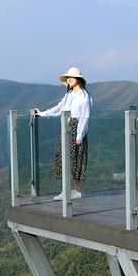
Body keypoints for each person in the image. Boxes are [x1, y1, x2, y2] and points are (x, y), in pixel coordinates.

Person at [33, 67, 92, 200]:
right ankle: (65, 190)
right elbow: (59, 107)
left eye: (72, 77)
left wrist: (79, 135)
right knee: (64, 159)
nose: (69, 79)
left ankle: (77, 191)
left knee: (78, 159)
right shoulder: (69, 94)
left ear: (78, 79)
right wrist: (43, 114)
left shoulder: (85, 97)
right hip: (66, 126)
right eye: (68, 78)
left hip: (76, 128)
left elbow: (85, 117)